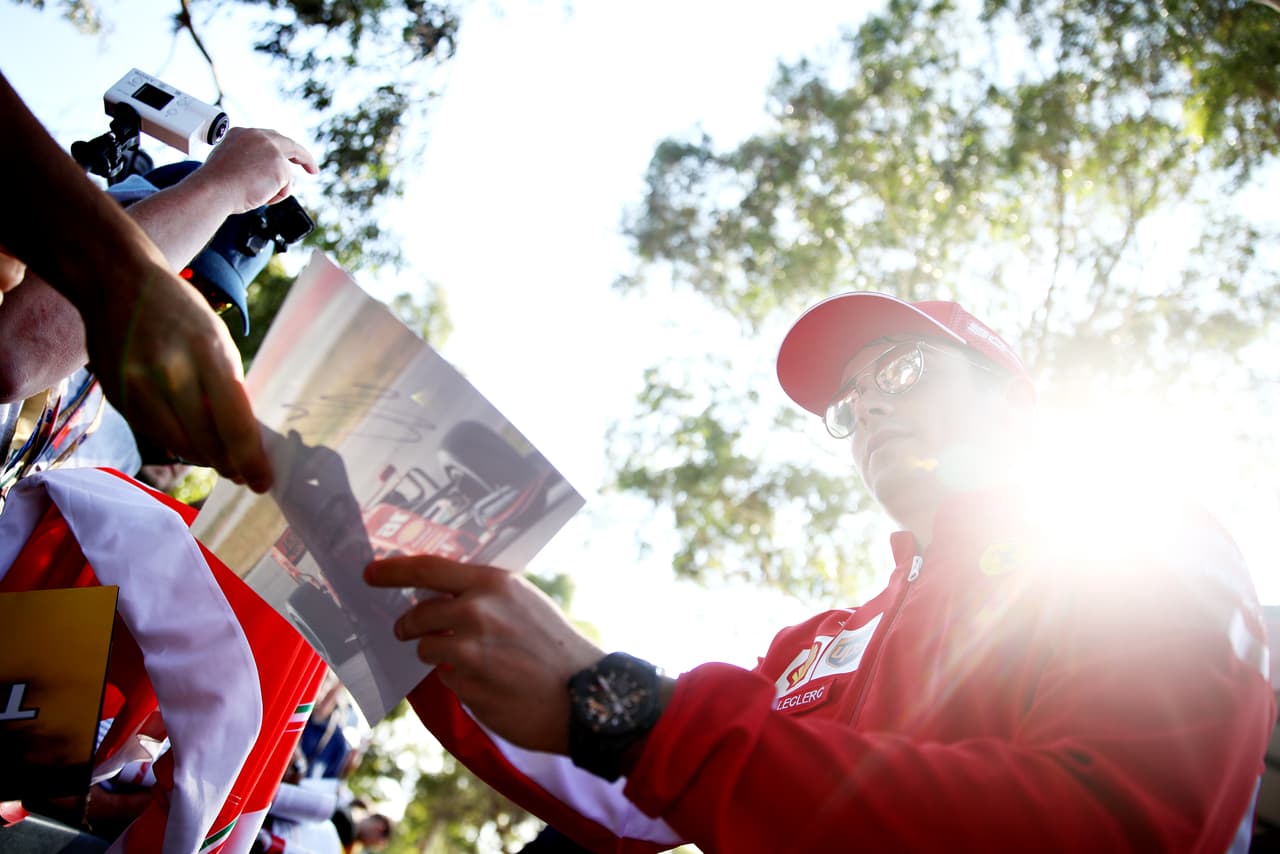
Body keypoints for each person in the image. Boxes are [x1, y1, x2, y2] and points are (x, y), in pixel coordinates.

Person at [365, 293, 1276, 852]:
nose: (868, 402)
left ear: (1012, 397)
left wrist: (634, 714)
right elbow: (638, 798)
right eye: (850, 399)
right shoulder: (817, 643)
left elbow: (1120, 827)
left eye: (906, 368)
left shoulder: (1135, 537)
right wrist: (414, 619)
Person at [0, 70, 318, 492]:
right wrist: (220, 188)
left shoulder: (115, 447)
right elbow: (16, 356)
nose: (186, 314)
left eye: (213, 304)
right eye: (180, 276)